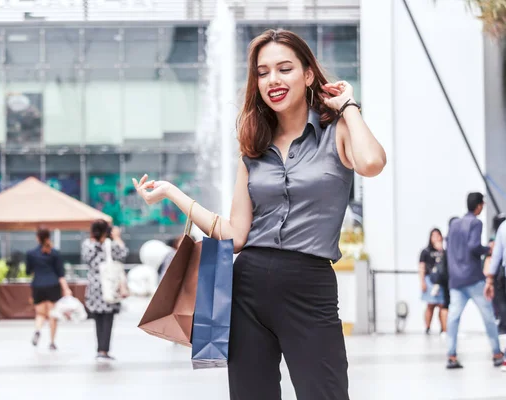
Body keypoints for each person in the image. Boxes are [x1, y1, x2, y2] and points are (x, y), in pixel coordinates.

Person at [132, 29, 386, 400]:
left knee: (326, 394)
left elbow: (372, 163)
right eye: (263, 72)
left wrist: (348, 106)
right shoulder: (254, 145)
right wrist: (172, 193)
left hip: (309, 286)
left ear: (308, 74)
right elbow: (235, 235)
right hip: (247, 288)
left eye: (285, 69)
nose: (273, 80)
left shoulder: (338, 132)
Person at [445, 192, 503, 369]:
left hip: (455, 280)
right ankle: (497, 353)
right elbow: (473, 246)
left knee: (453, 318)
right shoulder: (476, 223)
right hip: (473, 278)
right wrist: (489, 249)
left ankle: (451, 356)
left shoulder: (454, 224)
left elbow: (450, 249)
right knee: (488, 317)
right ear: (478, 206)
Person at [81, 220, 130, 362]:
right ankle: (104, 350)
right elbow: (123, 254)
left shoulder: (87, 245)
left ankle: (99, 349)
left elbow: (86, 259)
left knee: (98, 319)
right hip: (108, 286)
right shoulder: (111, 245)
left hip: (94, 288)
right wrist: (117, 237)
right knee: (108, 319)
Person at [26, 227, 72, 350]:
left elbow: (28, 271)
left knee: (40, 313)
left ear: (37, 238)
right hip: (53, 285)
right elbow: (60, 274)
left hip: (38, 285)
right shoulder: (55, 253)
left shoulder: (31, 254)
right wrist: (66, 289)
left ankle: (37, 330)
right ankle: (52, 342)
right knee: (53, 314)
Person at [419, 228, 447, 335]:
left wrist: (441, 251)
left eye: (438, 235)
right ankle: (427, 327)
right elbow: (421, 267)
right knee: (430, 305)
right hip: (429, 280)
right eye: (433, 235)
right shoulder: (425, 252)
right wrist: (422, 282)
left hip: (440, 281)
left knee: (441, 305)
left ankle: (443, 328)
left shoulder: (443, 252)